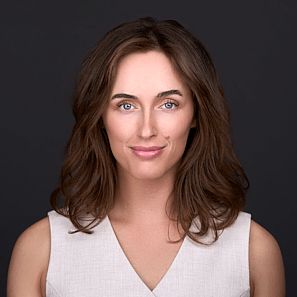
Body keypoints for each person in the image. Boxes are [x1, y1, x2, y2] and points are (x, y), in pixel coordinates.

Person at [7, 17, 285, 297]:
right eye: (126, 105)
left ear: (196, 114)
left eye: (168, 104)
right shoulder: (41, 250)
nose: (147, 130)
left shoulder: (254, 252)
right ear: (100, 115)